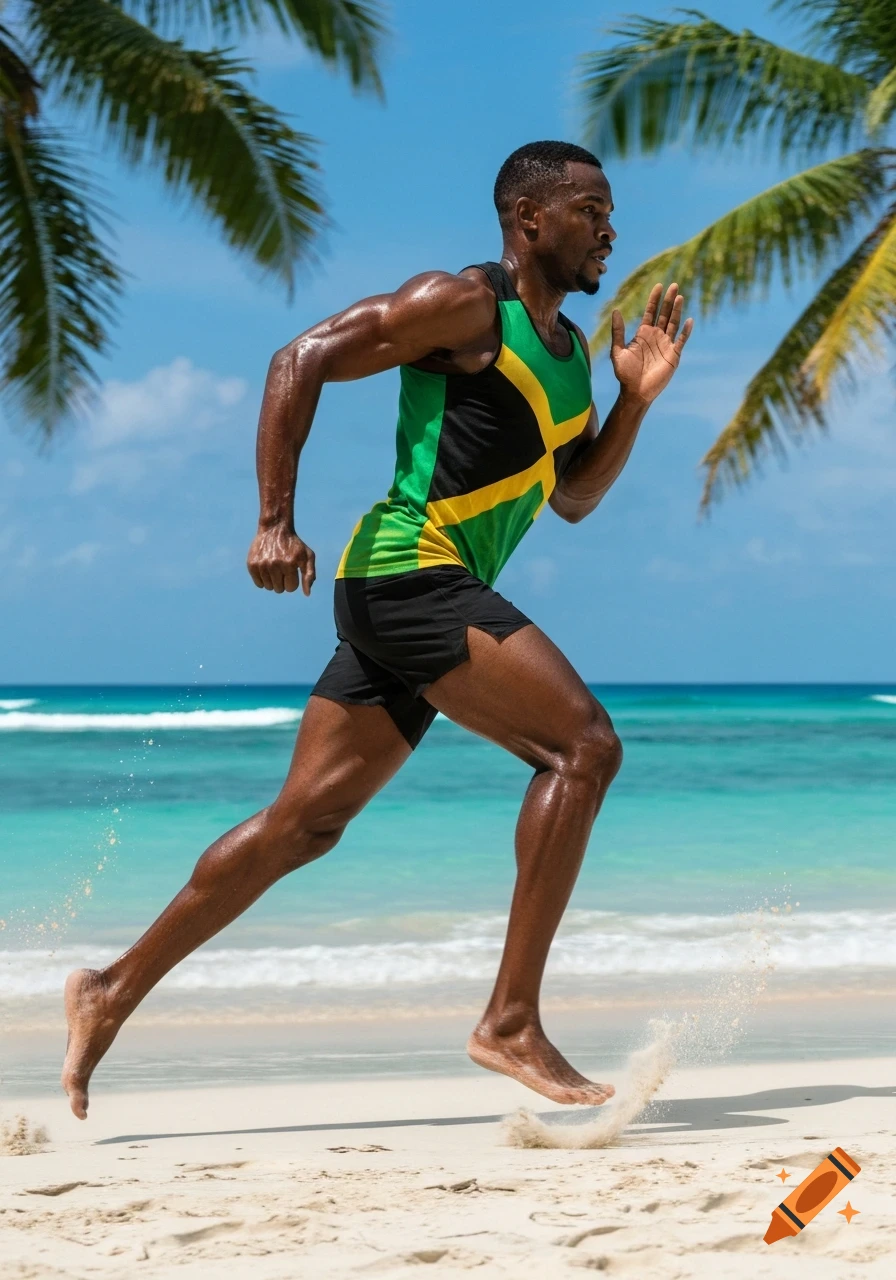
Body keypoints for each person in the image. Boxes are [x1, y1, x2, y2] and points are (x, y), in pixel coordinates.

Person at [62, 140, 693, 1119]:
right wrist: (273, 518)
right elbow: (300, 357)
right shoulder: (463, 306)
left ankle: (108, 989)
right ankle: (510, 1020)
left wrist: (632, 403)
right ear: (528, 219)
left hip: (413, 596)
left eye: (609, 211)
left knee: (301, 825)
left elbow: (570, 496)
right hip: (409, 572)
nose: (609, 226)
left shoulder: (568, 358)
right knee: (582, 746)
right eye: (586, 208)